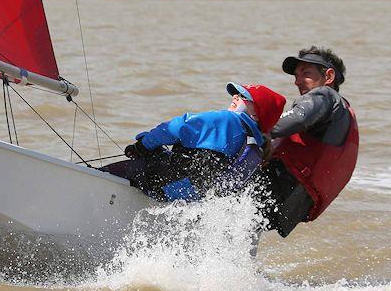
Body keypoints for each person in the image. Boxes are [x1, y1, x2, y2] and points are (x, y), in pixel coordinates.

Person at [102, 83, 286, 202]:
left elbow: (176, 127)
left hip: (163, 179)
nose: (235, 96)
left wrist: (143, 146)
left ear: (255, 114)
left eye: (243, 96)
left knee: (104, 174)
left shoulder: (228, 120)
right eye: (236, 93)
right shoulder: (256, 147)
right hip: (184, 196)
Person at [260, 46, 359, 237]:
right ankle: (241, 266)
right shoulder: (342, 113)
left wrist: (261, 131)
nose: (297, 81)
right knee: (247, 224)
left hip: (283, 183)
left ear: (328, 76)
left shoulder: (324, 95)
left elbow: (299, 117)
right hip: (297, 203)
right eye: (296, 75)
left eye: (306, 73)